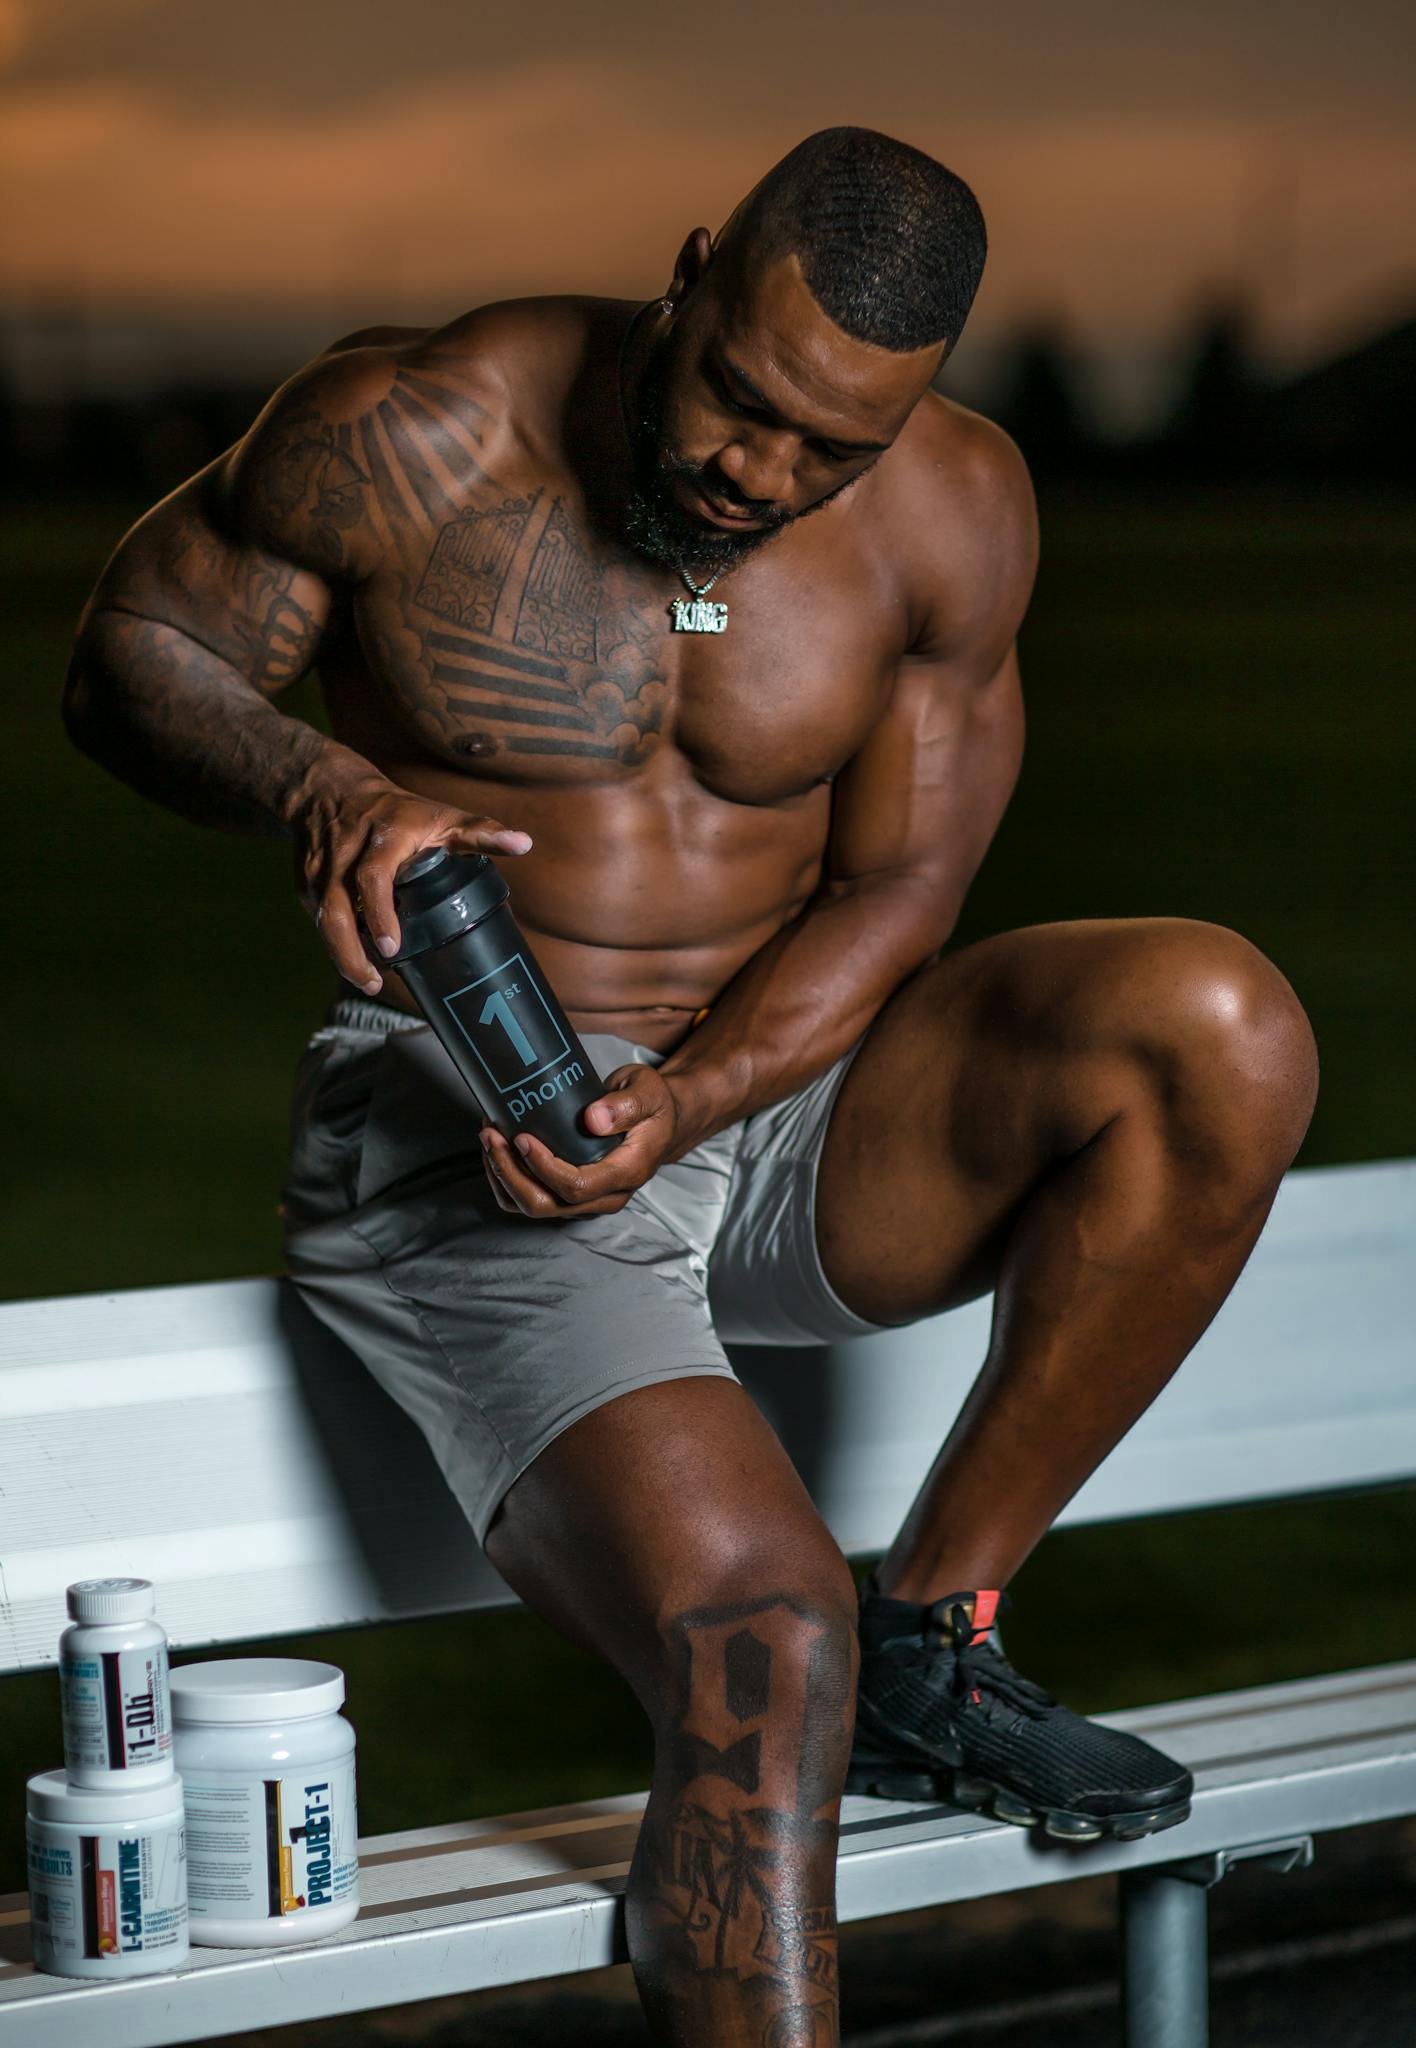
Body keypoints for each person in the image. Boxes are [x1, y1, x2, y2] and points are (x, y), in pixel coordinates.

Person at [64, 126, 1318, 2047]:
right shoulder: (417, 425)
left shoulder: (955, 510)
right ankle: (841, 1670)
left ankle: (941, 1636)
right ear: (687, 270)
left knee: (1212, 1024)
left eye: (834, 445)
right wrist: (319, 782)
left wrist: (711, 1089)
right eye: (740, 401)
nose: (762, 473)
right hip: (477, 1110)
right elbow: (133, 652)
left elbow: (902, 882)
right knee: (758, 1652)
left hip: (770, 1113)